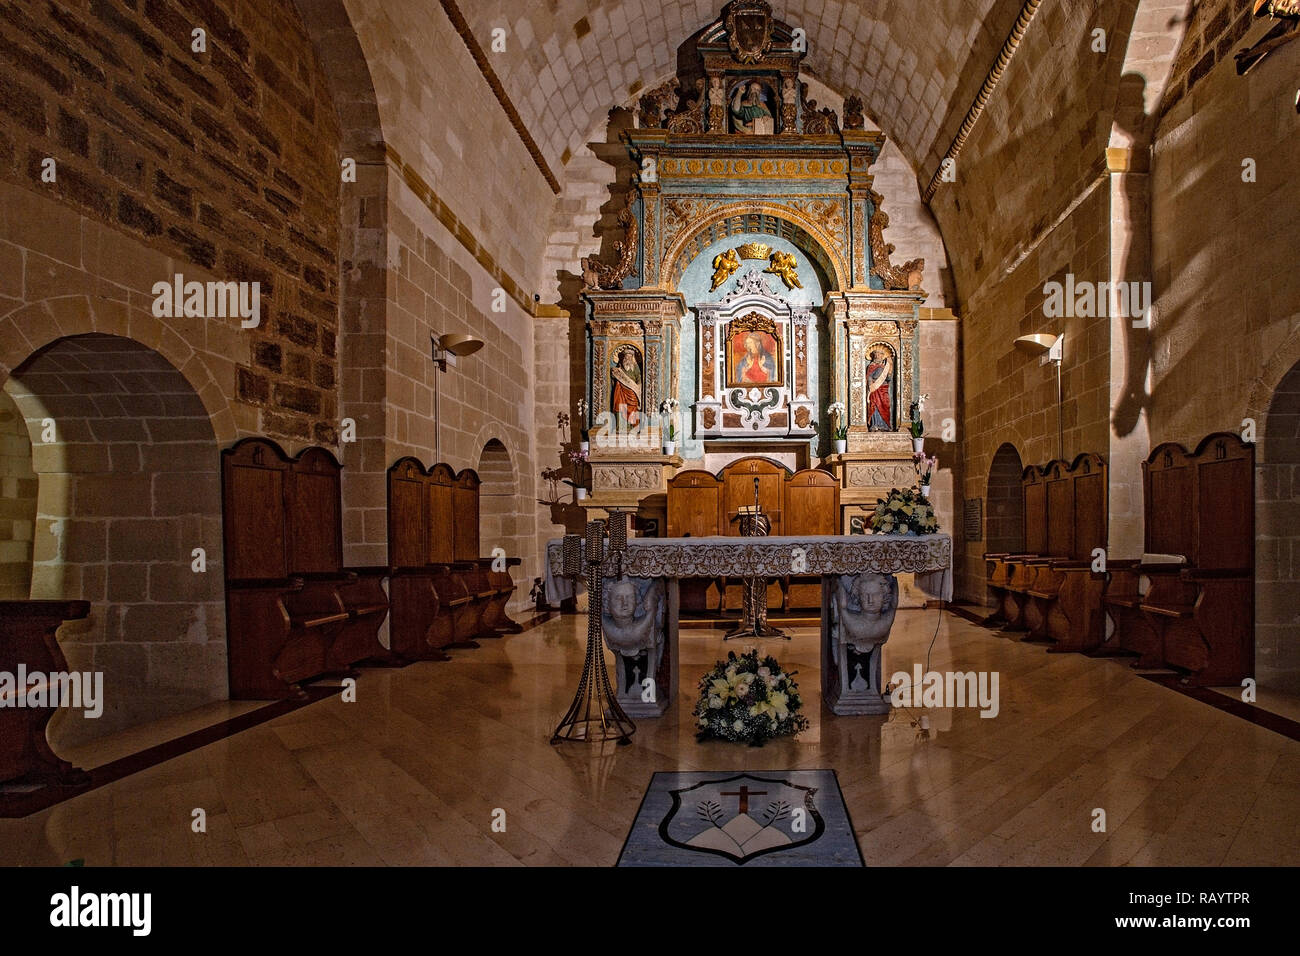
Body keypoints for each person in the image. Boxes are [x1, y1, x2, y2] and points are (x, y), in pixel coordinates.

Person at [611, 349, 641, 426]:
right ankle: (622, 425)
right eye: (626, 357)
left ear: (632, 358)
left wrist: (638, 387)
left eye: (629, 357)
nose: (627, 359)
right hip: (620, 390)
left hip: (632, 390)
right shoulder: (620, 366)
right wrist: (613, 373)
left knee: (633, 406)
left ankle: (632, 425)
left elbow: (639, 378)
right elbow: (614, 376)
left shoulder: (635, 367)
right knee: (620, 406)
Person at [866, 348, 892, 430]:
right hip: (874, 388)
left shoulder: (884, 367)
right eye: (876, 355)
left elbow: (888, 379)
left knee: (885, 404)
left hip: (883, 389)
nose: (877, 356)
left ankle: (884, 425)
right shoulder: (871, 366)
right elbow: (869, 377)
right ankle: (875, 424)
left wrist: (889, 373)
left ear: (882, 356)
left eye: (879, 355)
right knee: (875, 405)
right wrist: (871, 385)